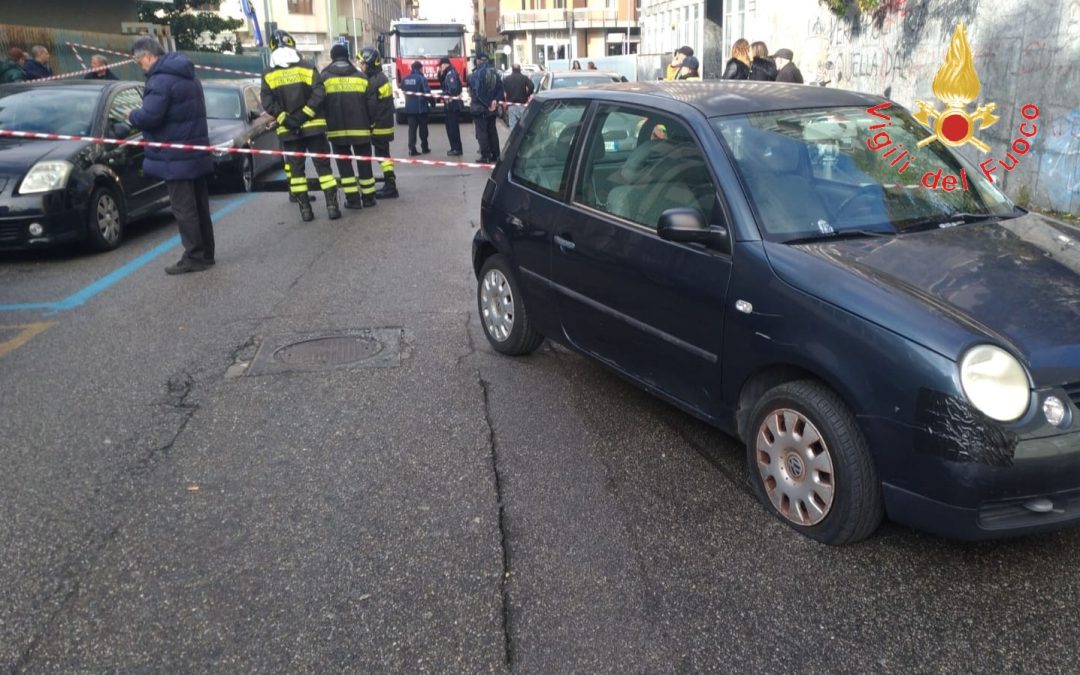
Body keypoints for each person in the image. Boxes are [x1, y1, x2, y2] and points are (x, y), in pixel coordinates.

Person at [127, 37, 215, 274]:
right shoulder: (188, 76)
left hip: (174, 157)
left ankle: (194, 256)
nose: (141, 67)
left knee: (184, 209)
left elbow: (150, 117)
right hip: (193, 152)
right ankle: (206, 253)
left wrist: (132, 114)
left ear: (146, 56)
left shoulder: (160, 80)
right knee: (199, 207)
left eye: (139, 62)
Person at [261, 30, 340, 222]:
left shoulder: (268, 73)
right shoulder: (307, 66)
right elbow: (320, 92)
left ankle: (305, 210)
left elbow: (267, 101)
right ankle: (332, 207)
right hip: (314, 127)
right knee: (323, 168)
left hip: (289, 132)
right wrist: (305, 114)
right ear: (292, 45)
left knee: (296, 172)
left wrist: (285, 118)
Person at [321, 43, 377, 209]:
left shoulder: (324, 77)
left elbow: (319, 103)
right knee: (364, 164)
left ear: (332, 57)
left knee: (344, 167)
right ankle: (368, 198)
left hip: (336, 130)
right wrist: (371, 123)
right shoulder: (361, 78)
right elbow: (372, 105)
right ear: (348, 56)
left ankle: (352, 200)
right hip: (361, 128)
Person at [360, 48, 399, 199]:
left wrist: (369, 124)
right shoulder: (381, 78)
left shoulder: (374, 81)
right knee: (384, 155)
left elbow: (372, 107)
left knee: (382, 155)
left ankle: (390, 186)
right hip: (384, 123)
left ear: (369, 64)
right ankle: (390, 184)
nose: (361, 66)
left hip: (378, 126)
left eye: (363, 63)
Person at [468, 52, 504, 164]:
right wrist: (495, 101)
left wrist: (488, 104)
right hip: (491, 108)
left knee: (482, 132)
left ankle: (485, 155)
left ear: (478, 61)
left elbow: (477, 93)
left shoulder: (476, 74)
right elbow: (501, 89)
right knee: (492, 131)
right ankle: (496, 154)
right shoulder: (495, 73)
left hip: (481, 108)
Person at [401, 61, 431, 156]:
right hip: (421, 108)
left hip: (409, 109)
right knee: (423, 130)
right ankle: (424, 147)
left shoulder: (405, 79)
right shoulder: (421, 78)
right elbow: (426, 92)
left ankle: (412, 149)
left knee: (412, 130)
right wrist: (432, 102)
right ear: (420, 68)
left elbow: (403, 90)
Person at [437, 57, 464, 156]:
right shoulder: (447, 74)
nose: (440, 68)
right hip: (449, 104)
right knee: (450, 127)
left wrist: (443, 94)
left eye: (440, 66)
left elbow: (452, 89)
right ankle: (454, 148)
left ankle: (456, 149)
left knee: (453, 128)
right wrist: (440, 74)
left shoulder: (450, 74)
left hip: (452, 104)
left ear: (444, 64)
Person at [501, 63, 534, 131]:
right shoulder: (524, 78)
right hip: (522, 105)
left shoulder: (507, 79)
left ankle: (514, 140)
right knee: (523, 124)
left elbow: (502, 91)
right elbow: (531, 86)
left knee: (512, 125)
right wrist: (527, 94)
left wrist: (504, 101)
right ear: (520, 69)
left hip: (511, 105)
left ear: (512, 69)